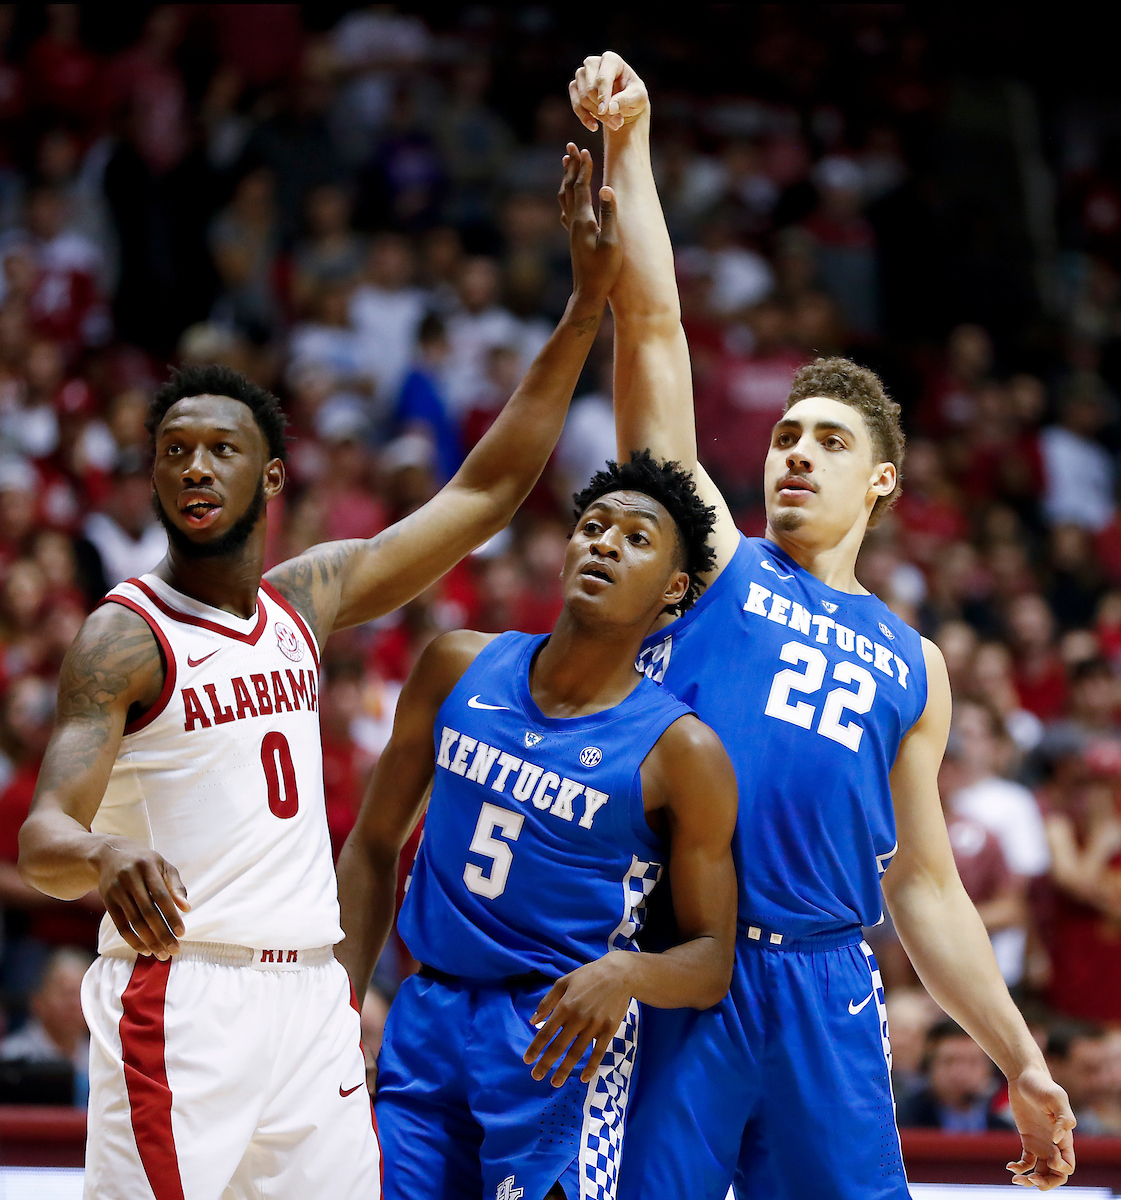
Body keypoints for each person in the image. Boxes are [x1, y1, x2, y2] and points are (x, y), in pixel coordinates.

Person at [16, 147, 621, 1200]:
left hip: (309, 1001)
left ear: (273, 475)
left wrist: (581, 309)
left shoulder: (306, 598)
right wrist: (104, 850)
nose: (196, 467)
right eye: (174, 451)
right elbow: (43, 838)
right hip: (183, 999)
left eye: (219, 449)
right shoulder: (126, 636)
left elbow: (483, 495)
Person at [567, 52, 1076, 1197]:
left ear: (884, 484)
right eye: (786, 434)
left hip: (829, 993)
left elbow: (926, 888)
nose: (794, 452)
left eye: (828, 441)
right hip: (685, 974)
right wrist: (632, 144)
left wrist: (1021, 1059)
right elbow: (650, 328)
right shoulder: (711, 563)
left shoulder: (916, 662)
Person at [336, 450, 738, 1200]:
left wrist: (628, 971)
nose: (605, 544)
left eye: (636, 538)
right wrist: (336, 1006)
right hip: (427, 1014)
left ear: (674, 589)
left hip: (559, 1039)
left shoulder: (682, 752)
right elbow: (372, 845)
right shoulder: (456, 666)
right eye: (591, 526)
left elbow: (711, 959)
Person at [896, 1019, 1016, 1132]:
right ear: (929, 1065)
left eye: (972, 1062)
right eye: (949, 1061)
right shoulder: (903, 1122)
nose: (960, 1072)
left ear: (989, 1069)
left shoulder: (1003, 1129)